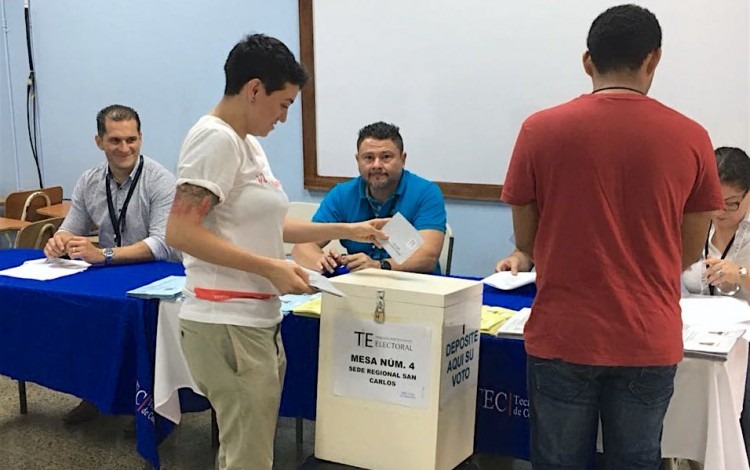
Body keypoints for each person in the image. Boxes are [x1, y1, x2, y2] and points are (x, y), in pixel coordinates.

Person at [497, 5, 724, 468]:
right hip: (647, 335)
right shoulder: (692, 137)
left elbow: (527, 240)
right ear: (653, 60)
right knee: (637, 460)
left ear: (587, 61)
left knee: (557, 461)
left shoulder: (538, 130)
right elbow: (685, 250)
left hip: (563, 333)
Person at [164, 34, 387, 470]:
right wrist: (271, 267)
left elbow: (268, 223)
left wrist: (348, 228)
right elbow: (180, 231)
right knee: (248, 457)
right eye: (283, 103)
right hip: (226, 321)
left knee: (247, 451)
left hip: (255, 319)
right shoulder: (215, 139)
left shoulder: (248, 143)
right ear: (253, 90)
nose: (285, 117)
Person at [44, 104, 180, 425]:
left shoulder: (161, 181)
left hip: (159, 277)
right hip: (112, 277)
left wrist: (101, 255)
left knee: (144, 331)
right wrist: (58, 242)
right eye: (115, 141)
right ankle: (94, 393)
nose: (124, 148)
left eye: (131, 140)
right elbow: (70, 228)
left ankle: (153, 409)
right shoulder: (89, 181)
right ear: (99, 141)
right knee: (86, 318)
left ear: (141, 139)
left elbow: (162, 245)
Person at [292, 121, 446, 274]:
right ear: (358, 160)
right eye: (369, 158)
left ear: (403, 159)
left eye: (386, 157)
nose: (376, 165)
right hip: (359, 288)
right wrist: (323, 262)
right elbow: (302, 246)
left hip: (414, 289)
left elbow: (428, 257)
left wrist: (379, 266)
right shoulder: (342, 194)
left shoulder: (426, 193)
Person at [682, 146, 750, 461]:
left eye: (732, 203)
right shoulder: (692, 222)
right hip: (695, 340)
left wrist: (741, 274)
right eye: (714, 202)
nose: (721, 211)